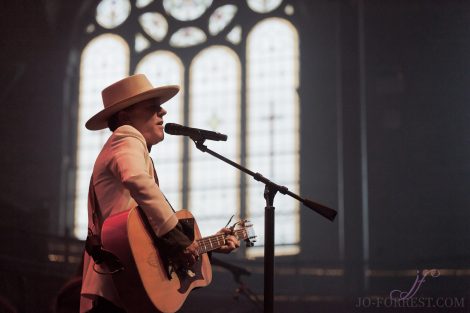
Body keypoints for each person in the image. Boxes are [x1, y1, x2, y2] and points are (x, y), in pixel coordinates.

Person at [80, 74, 240, 313]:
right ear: (125, 117)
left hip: (126, 285)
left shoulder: (130, 150)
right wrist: (177, 238)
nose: (163, 112)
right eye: (152, 107)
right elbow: (137, 180)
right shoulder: (127, 136)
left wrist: (207, 244)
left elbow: (149, 241)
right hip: (121, 288)